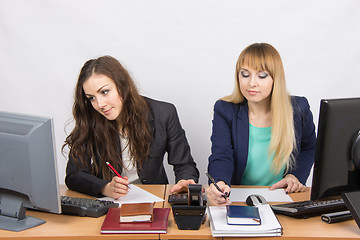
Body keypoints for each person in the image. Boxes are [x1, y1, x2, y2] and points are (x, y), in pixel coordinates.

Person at [63, 55, 199, 199]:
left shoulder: (164, 113)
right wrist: (105, 188)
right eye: (91, 98)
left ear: (122, 85)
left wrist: (184, 181)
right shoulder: (91, 119)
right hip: (110, 203)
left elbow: (185, 164)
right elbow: (74, 175)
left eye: (104, 92)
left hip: (154, 200)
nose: (100, 104)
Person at [207, 43, 316, 205]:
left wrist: (294, 176)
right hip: (240, 199)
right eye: (245, 74)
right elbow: (221, 155)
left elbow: (309, 147)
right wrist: (220, 183)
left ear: (275, 78)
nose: (251, 83)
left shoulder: (298, 108)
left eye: (262, 76)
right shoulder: (225, 109)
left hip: (283, 197)